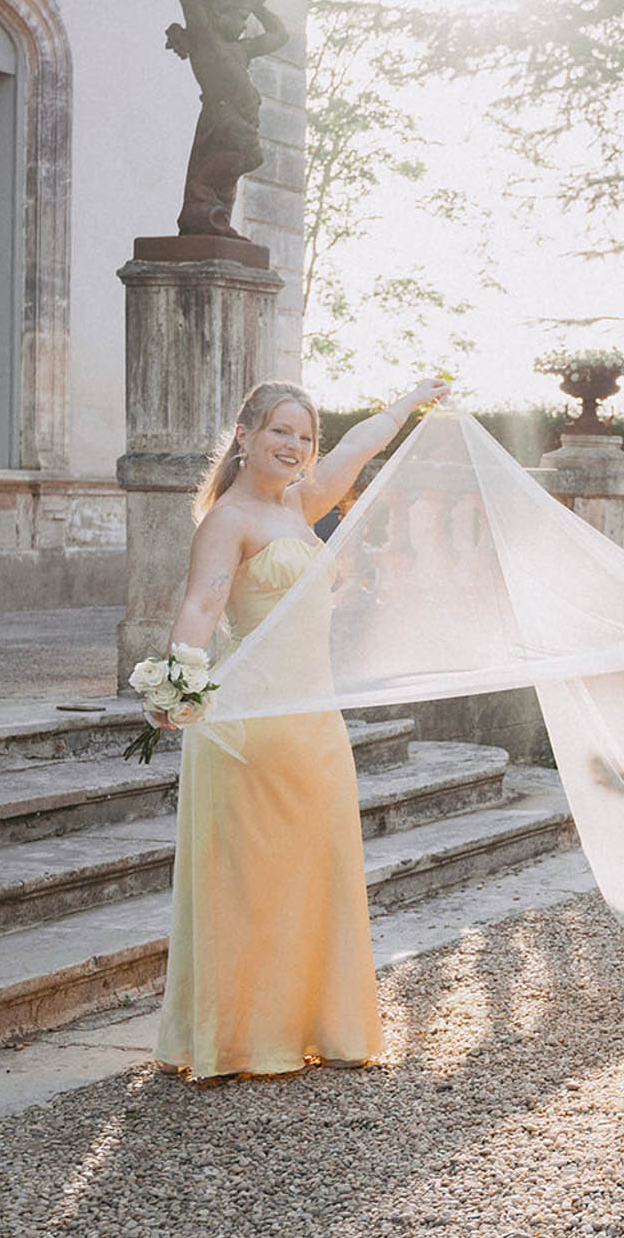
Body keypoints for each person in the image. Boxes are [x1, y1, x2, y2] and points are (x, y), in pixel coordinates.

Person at [149, 376, 447, 1079]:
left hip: (315, 721)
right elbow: (202, 605)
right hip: (253, 725)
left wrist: (408, 402)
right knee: (255, 885)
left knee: (319, 872)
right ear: (245, 436)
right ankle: (250, 1038)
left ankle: (323, 1025)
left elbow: (357, 448)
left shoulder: (303, 504)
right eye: (281, 431)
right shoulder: (229, 519)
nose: (296, 447)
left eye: (304, 436)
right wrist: (176, 680)